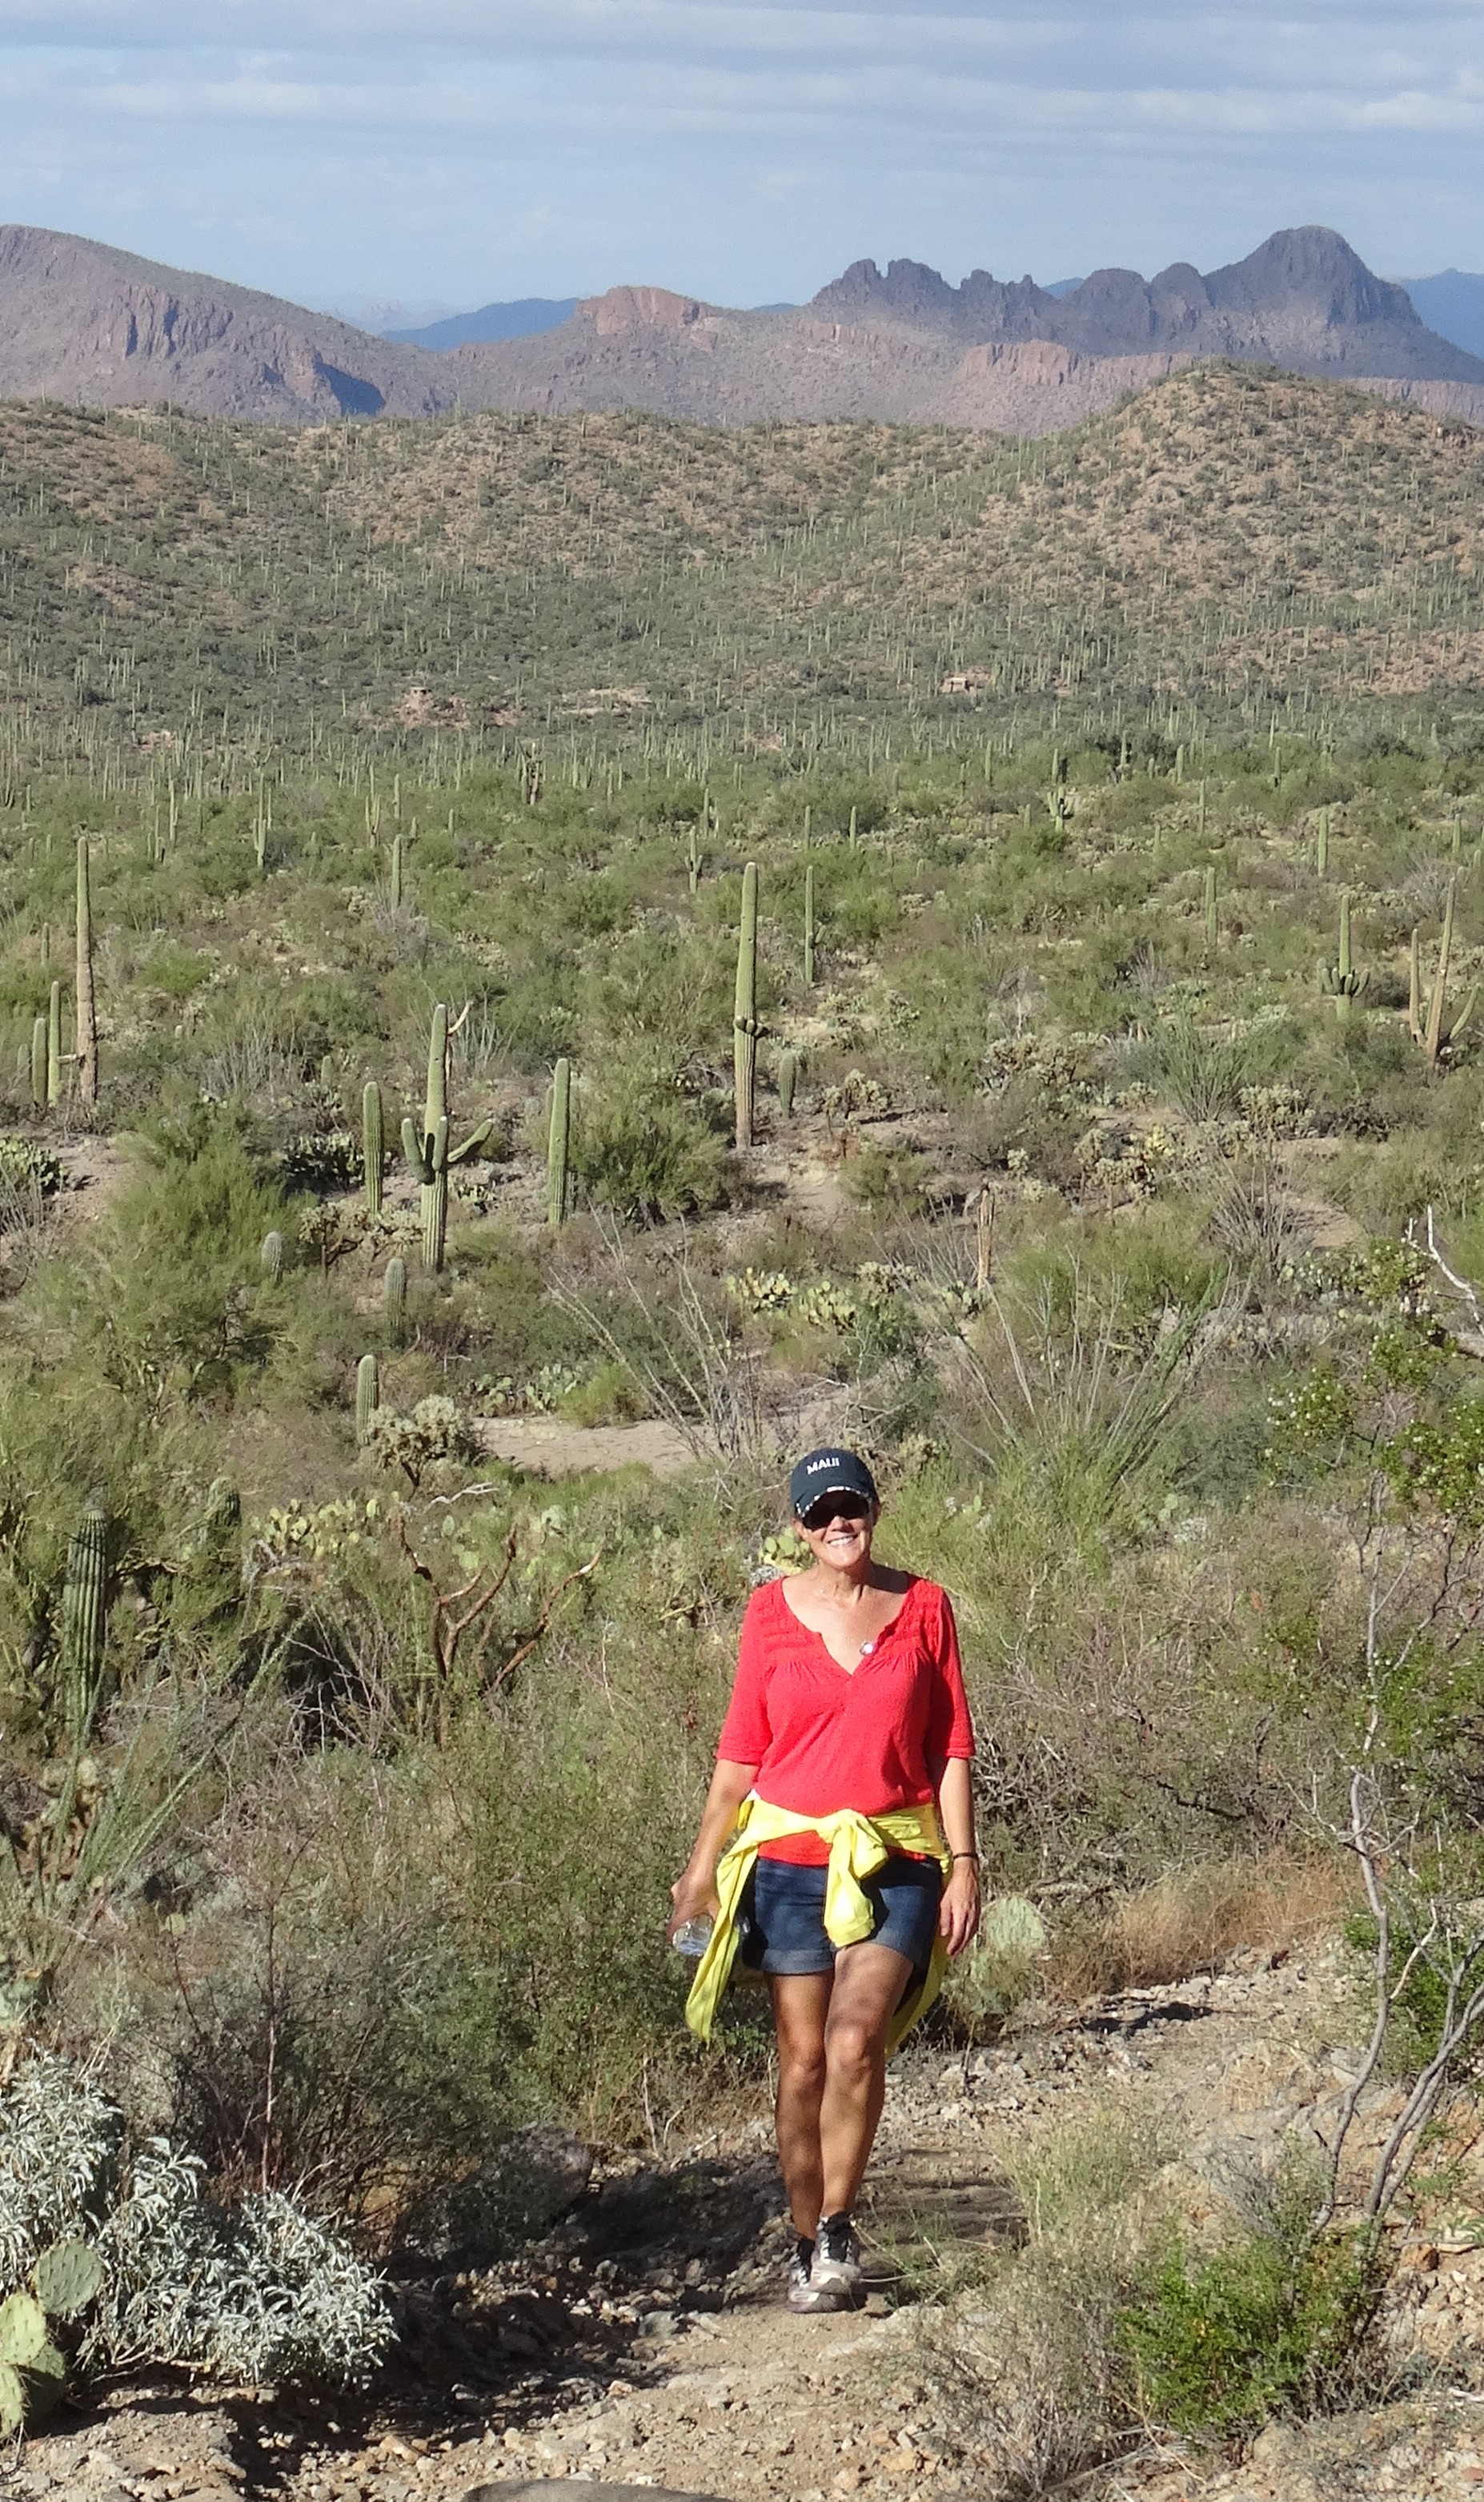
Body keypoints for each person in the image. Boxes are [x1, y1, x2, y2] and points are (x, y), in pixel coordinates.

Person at [669, 1445, 980, 2313]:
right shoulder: (768, 1615)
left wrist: (964, 1863)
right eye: (819, 1513)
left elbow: (951, 1746)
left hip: (896, 1857)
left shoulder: (926, 1607)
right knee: (803, 2061)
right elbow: (740, 1757)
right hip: (787, 1862)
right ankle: (804, 2242)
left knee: (853, 2038)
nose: (838, 1523)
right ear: (800, 1528)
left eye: (851, 1506)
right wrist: (699, 1871)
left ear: (875, 1509)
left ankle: (839, 2225)